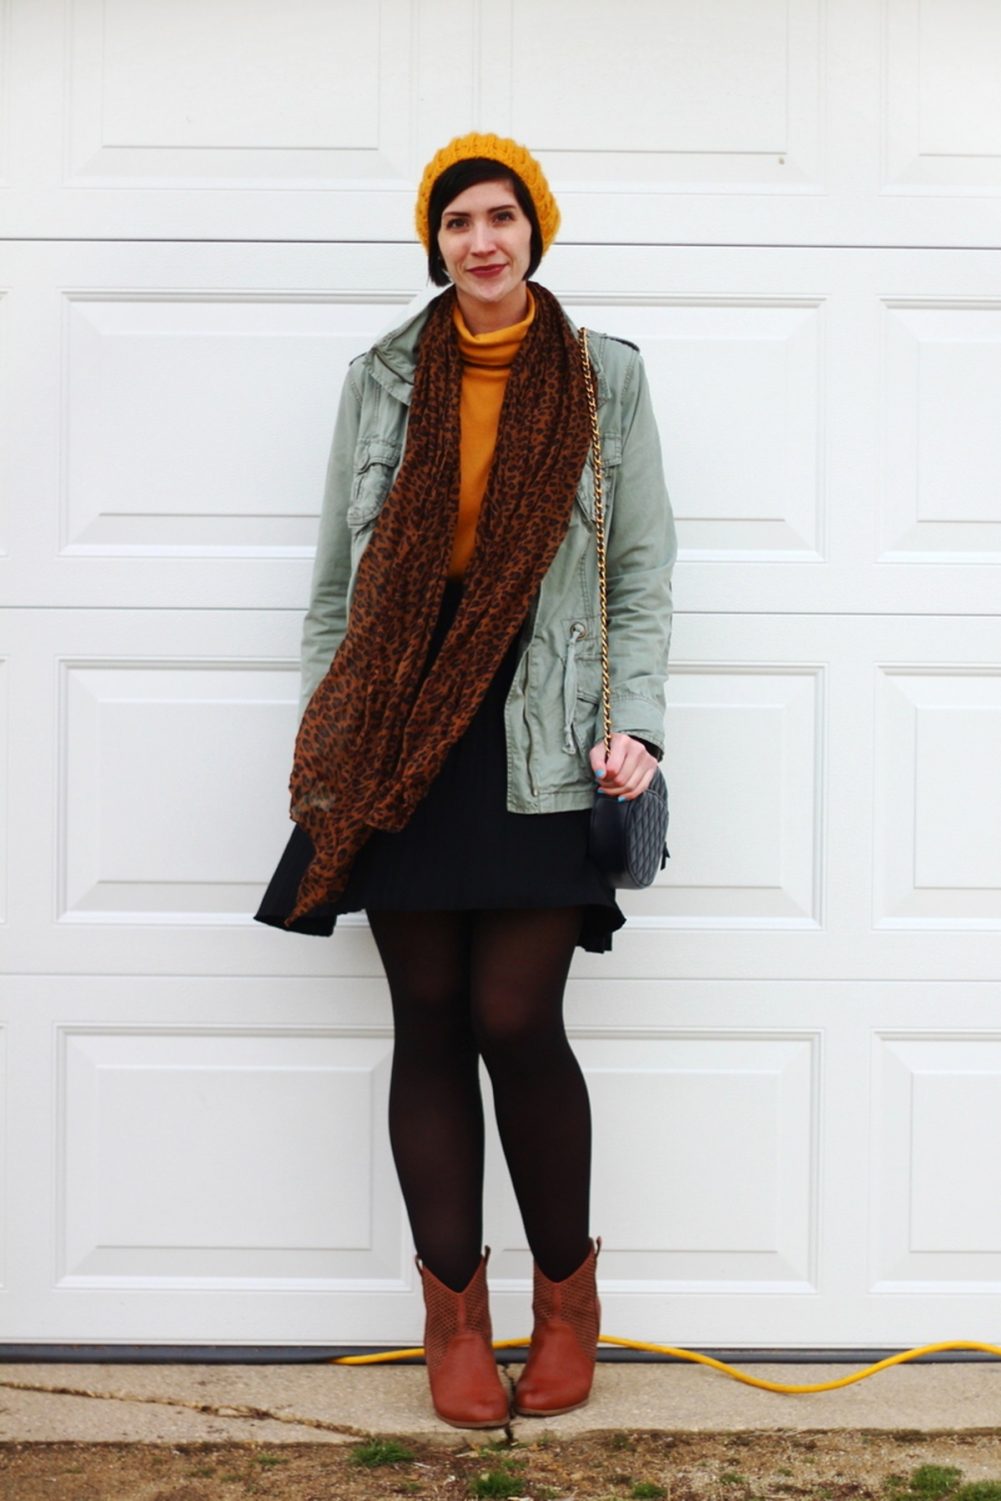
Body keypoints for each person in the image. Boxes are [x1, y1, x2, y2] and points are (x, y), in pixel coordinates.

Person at [255, 132, 677, 1428]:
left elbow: (639, 572)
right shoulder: (381, 378)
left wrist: (637, 725)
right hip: (401, 721)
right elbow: (337, 581)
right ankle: (452, 1318)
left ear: (534, 230)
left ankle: (567, 1303)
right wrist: (330, 731)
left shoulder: (603, 374)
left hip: (541, 723)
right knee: (429, 1017)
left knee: (515, 1015)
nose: (480, 242)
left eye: (500, 216)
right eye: (456, 224)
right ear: (434, 244)